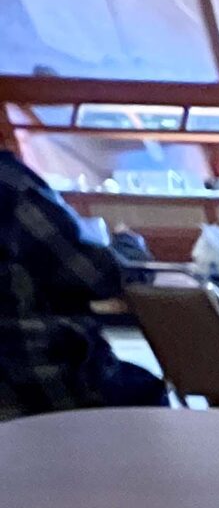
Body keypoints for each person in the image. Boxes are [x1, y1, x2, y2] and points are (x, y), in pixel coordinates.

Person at [0, 149, 167, 418]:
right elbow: (97, 275)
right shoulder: (10, 185)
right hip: (32, 377)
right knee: (145, 391)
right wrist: (130, 247)